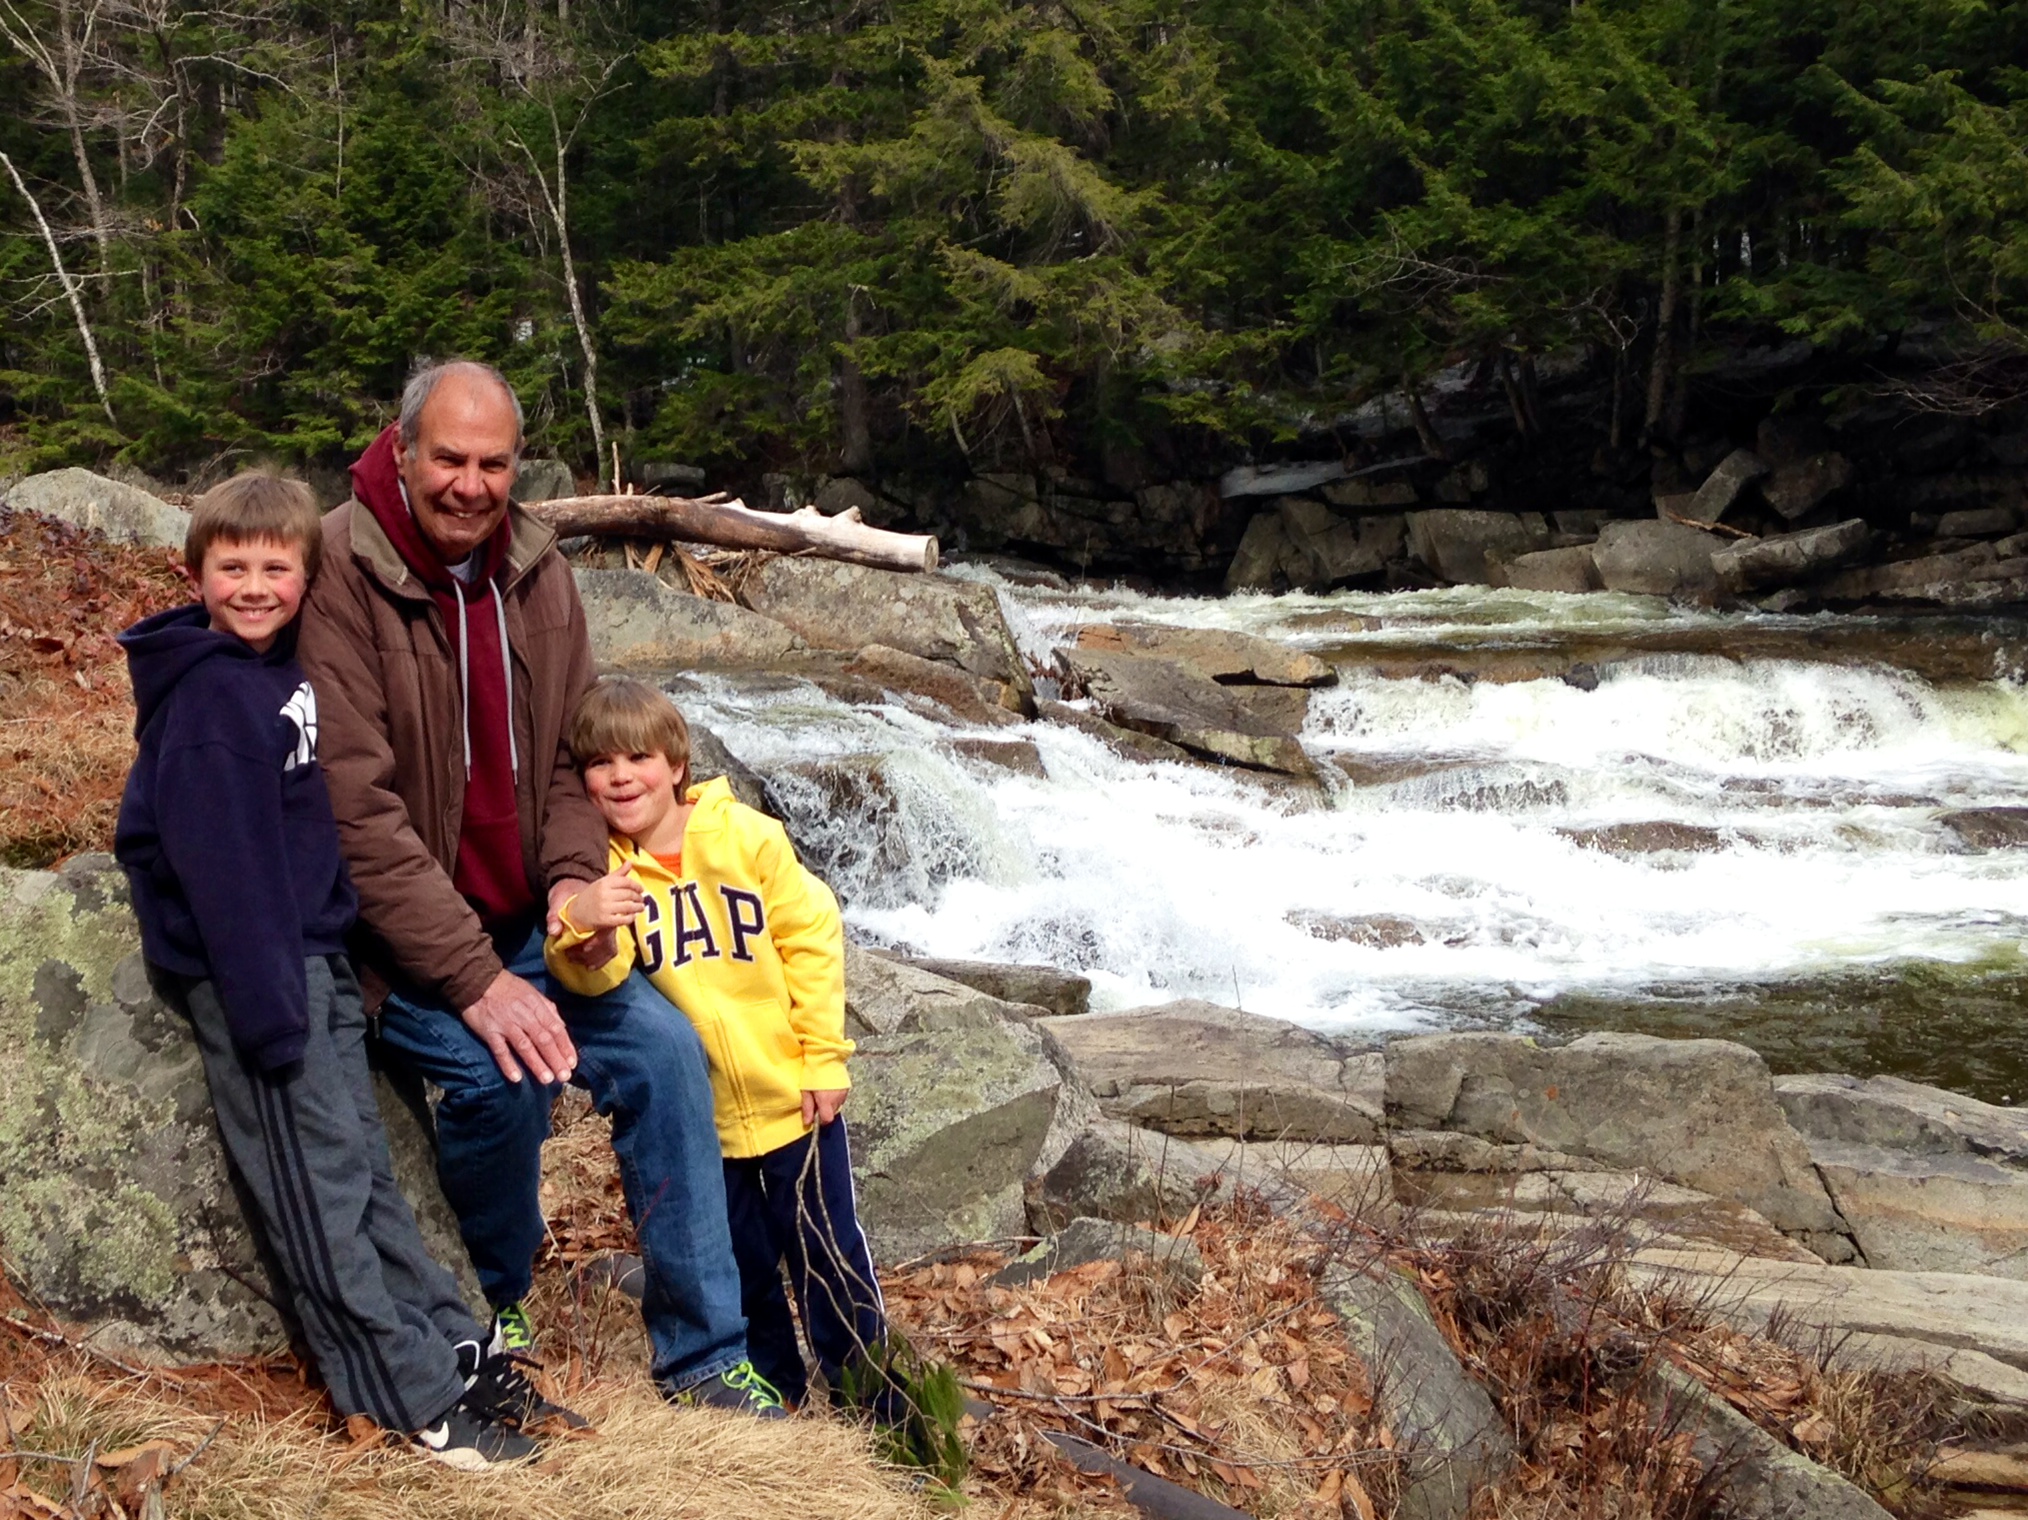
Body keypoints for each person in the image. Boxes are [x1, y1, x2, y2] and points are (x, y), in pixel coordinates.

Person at [296, 361, 777, 1414]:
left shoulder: (534, 564)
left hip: (528, 921)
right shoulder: (337, 566)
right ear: (402, 447)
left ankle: (706, 1352)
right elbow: (355, 811)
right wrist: (474, 978)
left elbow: (569, 761)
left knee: (661, 1047)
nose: (472, 486)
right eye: (451, 461)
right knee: (497, 1076)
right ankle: (498, 1289)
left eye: (495, 465)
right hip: (396, 945)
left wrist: (569, 889)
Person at [114, 473, 539, 1469]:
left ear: (307, 577)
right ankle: (402, 1392)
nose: (256, 585)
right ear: (196, 572)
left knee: (363, 1170)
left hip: (318, 961)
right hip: (263, 981)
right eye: (234, 567)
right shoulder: (215, 700)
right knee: (317, 1193)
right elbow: (229, 875)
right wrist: (269, 1015)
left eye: (278, 567)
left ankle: (443, 1337)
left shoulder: (275, 674)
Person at [545, 678, 895, 1414]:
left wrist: (822, 1058)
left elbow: (812, 937)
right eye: (600, 764)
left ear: (676, 765)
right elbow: (599, 976)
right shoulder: (607, 872)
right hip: (705, 1127)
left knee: (828, 1259)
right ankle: (777, 1402)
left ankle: (873, 1401)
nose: (620, 775)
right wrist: (585, 925)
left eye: (638, 756)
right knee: (744, 1270)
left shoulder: (749, 839)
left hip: (793, 1101)